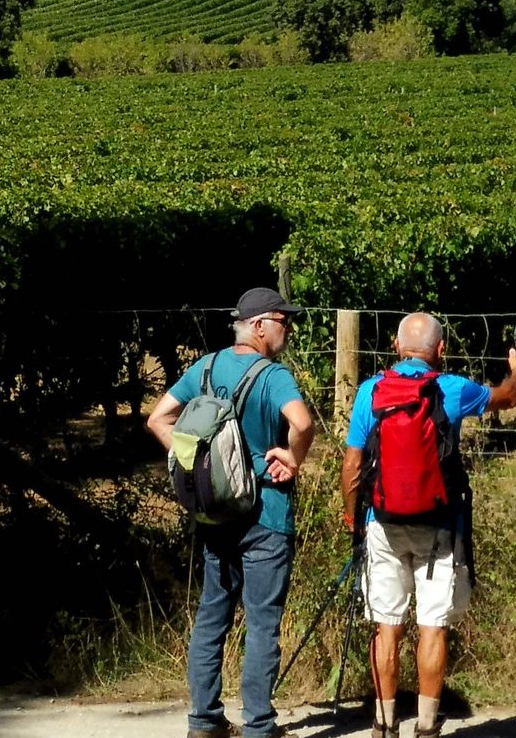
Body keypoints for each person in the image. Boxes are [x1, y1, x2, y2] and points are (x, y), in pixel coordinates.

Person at [340, 312, 516, 738]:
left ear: (396, 347)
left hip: (382, 522)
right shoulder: (453, 388)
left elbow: (353, 463)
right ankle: (427, 724)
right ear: (440, 350)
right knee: (432, 625)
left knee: (386, 625)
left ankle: (384, 722)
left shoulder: (369, 392)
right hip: (439, 526)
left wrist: (352, 515)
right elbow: (507, 397)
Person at [147, 287, 316, 738]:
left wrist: (194, 461)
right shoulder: (272, 376)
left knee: (211, 617)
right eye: (284, 321)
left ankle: (204, 721)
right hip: (266, 512)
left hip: (215, 512)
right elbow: (302, 423)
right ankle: (259, 726)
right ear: (259, 325)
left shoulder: (205, 367)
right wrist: (292, 458)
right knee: (262, 622)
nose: (289, 330)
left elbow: (157, 419)